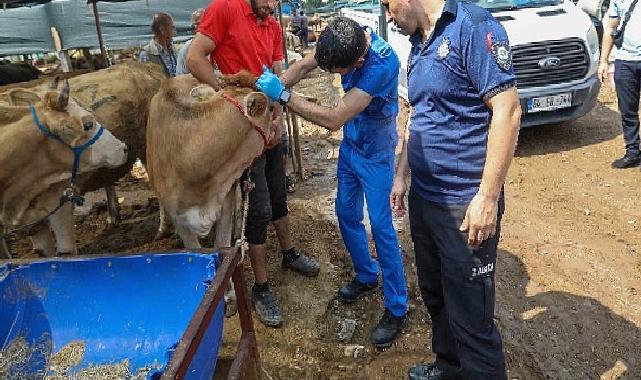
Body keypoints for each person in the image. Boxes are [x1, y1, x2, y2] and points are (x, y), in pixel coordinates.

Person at [381, 0, 522, 378]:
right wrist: (401, 173)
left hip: (464, 203)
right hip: (426, 201)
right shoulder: (418, 40)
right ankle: (449, 368)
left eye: (386, 5)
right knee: (436, 295)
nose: (387, 16)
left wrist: (488, 197)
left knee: (471, 317)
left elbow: (507, 111)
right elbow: (419, 113)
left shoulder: (472, 27)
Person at [256, 16, 408, 347]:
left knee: (382, 227)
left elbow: (334, 118)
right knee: (346, 213)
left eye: (337, 72)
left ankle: (397, 307)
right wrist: (272, 88)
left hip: (377, 153)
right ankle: (367, 275)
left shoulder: (382, 64)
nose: (334, 75)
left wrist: (282, 96)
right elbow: (304, 66)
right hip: (353, 147)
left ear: (356, 61)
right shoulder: (341, 38)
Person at [186, 0, 320, 328]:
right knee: (257, 208)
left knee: (278, 193)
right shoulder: (223, 8)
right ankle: (261, 287)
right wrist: (222, 93)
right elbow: (194, 57)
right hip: (240, 127)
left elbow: (277, 75)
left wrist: (276, 116)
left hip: (268, 120)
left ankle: (288, 254)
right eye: (269, 0)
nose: (273, 5)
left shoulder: (272, 24)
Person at [599, 0, 641, 169]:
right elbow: (611, 28)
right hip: (625, 61)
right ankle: (633, 153)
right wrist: (604, 61)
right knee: (627, 110)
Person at [139, 12, 177, 77]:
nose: (174, 31)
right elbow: (146, 82)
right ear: (162, 30)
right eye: (172, 27)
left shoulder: (172, 49)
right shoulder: (147, 54)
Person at [176, 8, 205, 76]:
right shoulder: (186, 49)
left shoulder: (218, 46)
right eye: (197, 24)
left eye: (204, 22)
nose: (199, 27)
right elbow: (180, 79)